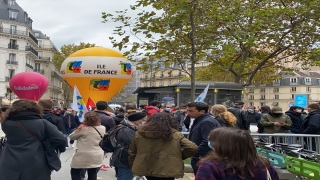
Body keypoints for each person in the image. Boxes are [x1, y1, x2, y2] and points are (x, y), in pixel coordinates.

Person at [0, 100, 66, 180]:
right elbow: (61, 138)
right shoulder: (42, 123)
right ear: (35, 109)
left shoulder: (6, 124)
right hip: (36, 161)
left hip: (9, 160)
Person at [128, 112, 198, 180]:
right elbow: (192, 147)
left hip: (147, 166)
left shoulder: (140, 134)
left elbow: (132, 152)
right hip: (168, 167)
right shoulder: (175, 134)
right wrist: (179, 156)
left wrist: (133, 166)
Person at [195, 127, 279, 180]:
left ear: (221, 145)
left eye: (211, 140)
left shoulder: (211, 166)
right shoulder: (262, 163)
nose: (209, 143)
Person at [110, 110, 147, 180]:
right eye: (144, 120)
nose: (145, 122)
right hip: (124, 158)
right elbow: (135, 144)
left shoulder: (132, 128)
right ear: (136, 120)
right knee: (124, 177)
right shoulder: (126, 130)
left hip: (126, 158)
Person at [186, 102, 220, 175]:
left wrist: (195, 152)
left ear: (202, 111)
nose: (188, 113)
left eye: (191, 111)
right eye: (187, 110)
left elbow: (207, 141)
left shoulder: (207, 122)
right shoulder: (202, 120)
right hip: (201, 157)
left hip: (202, 157)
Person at [69, 111, 105, 180]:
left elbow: (71, 136)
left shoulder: (82, 128)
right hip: (97, 154)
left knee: (75, 172)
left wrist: (78, 129)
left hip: (82, 154)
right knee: (92, 173)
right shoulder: (102, 128)